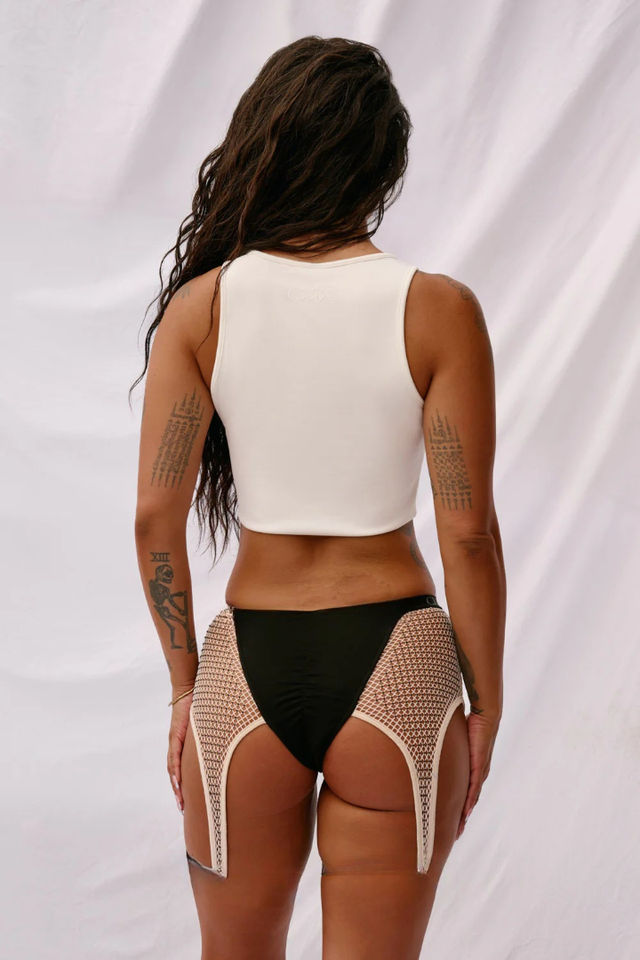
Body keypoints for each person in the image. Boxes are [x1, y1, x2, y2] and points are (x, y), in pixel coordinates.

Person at [132, 34, 505, 960]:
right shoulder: (437, 309)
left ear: (266, 141)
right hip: (399, 666)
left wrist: (183, 690)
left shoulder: (202, 311)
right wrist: (485, 705)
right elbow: (466, 532)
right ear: (381, 165)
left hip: (244, 671)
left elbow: (154, 520)